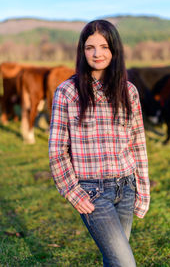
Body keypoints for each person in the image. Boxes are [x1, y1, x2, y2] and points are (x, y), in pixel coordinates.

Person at [48, 19, 150, 266]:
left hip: (126, 187)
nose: (97, 53)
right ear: (82, 51)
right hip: (92, 192)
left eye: (104, 46)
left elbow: (138, 142)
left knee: (113, 259)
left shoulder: (129, 91)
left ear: (114, 50)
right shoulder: (67, 92)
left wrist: (142, 189)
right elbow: (57, 150)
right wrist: (72, 191)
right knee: (125, 263)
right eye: (90, 47)